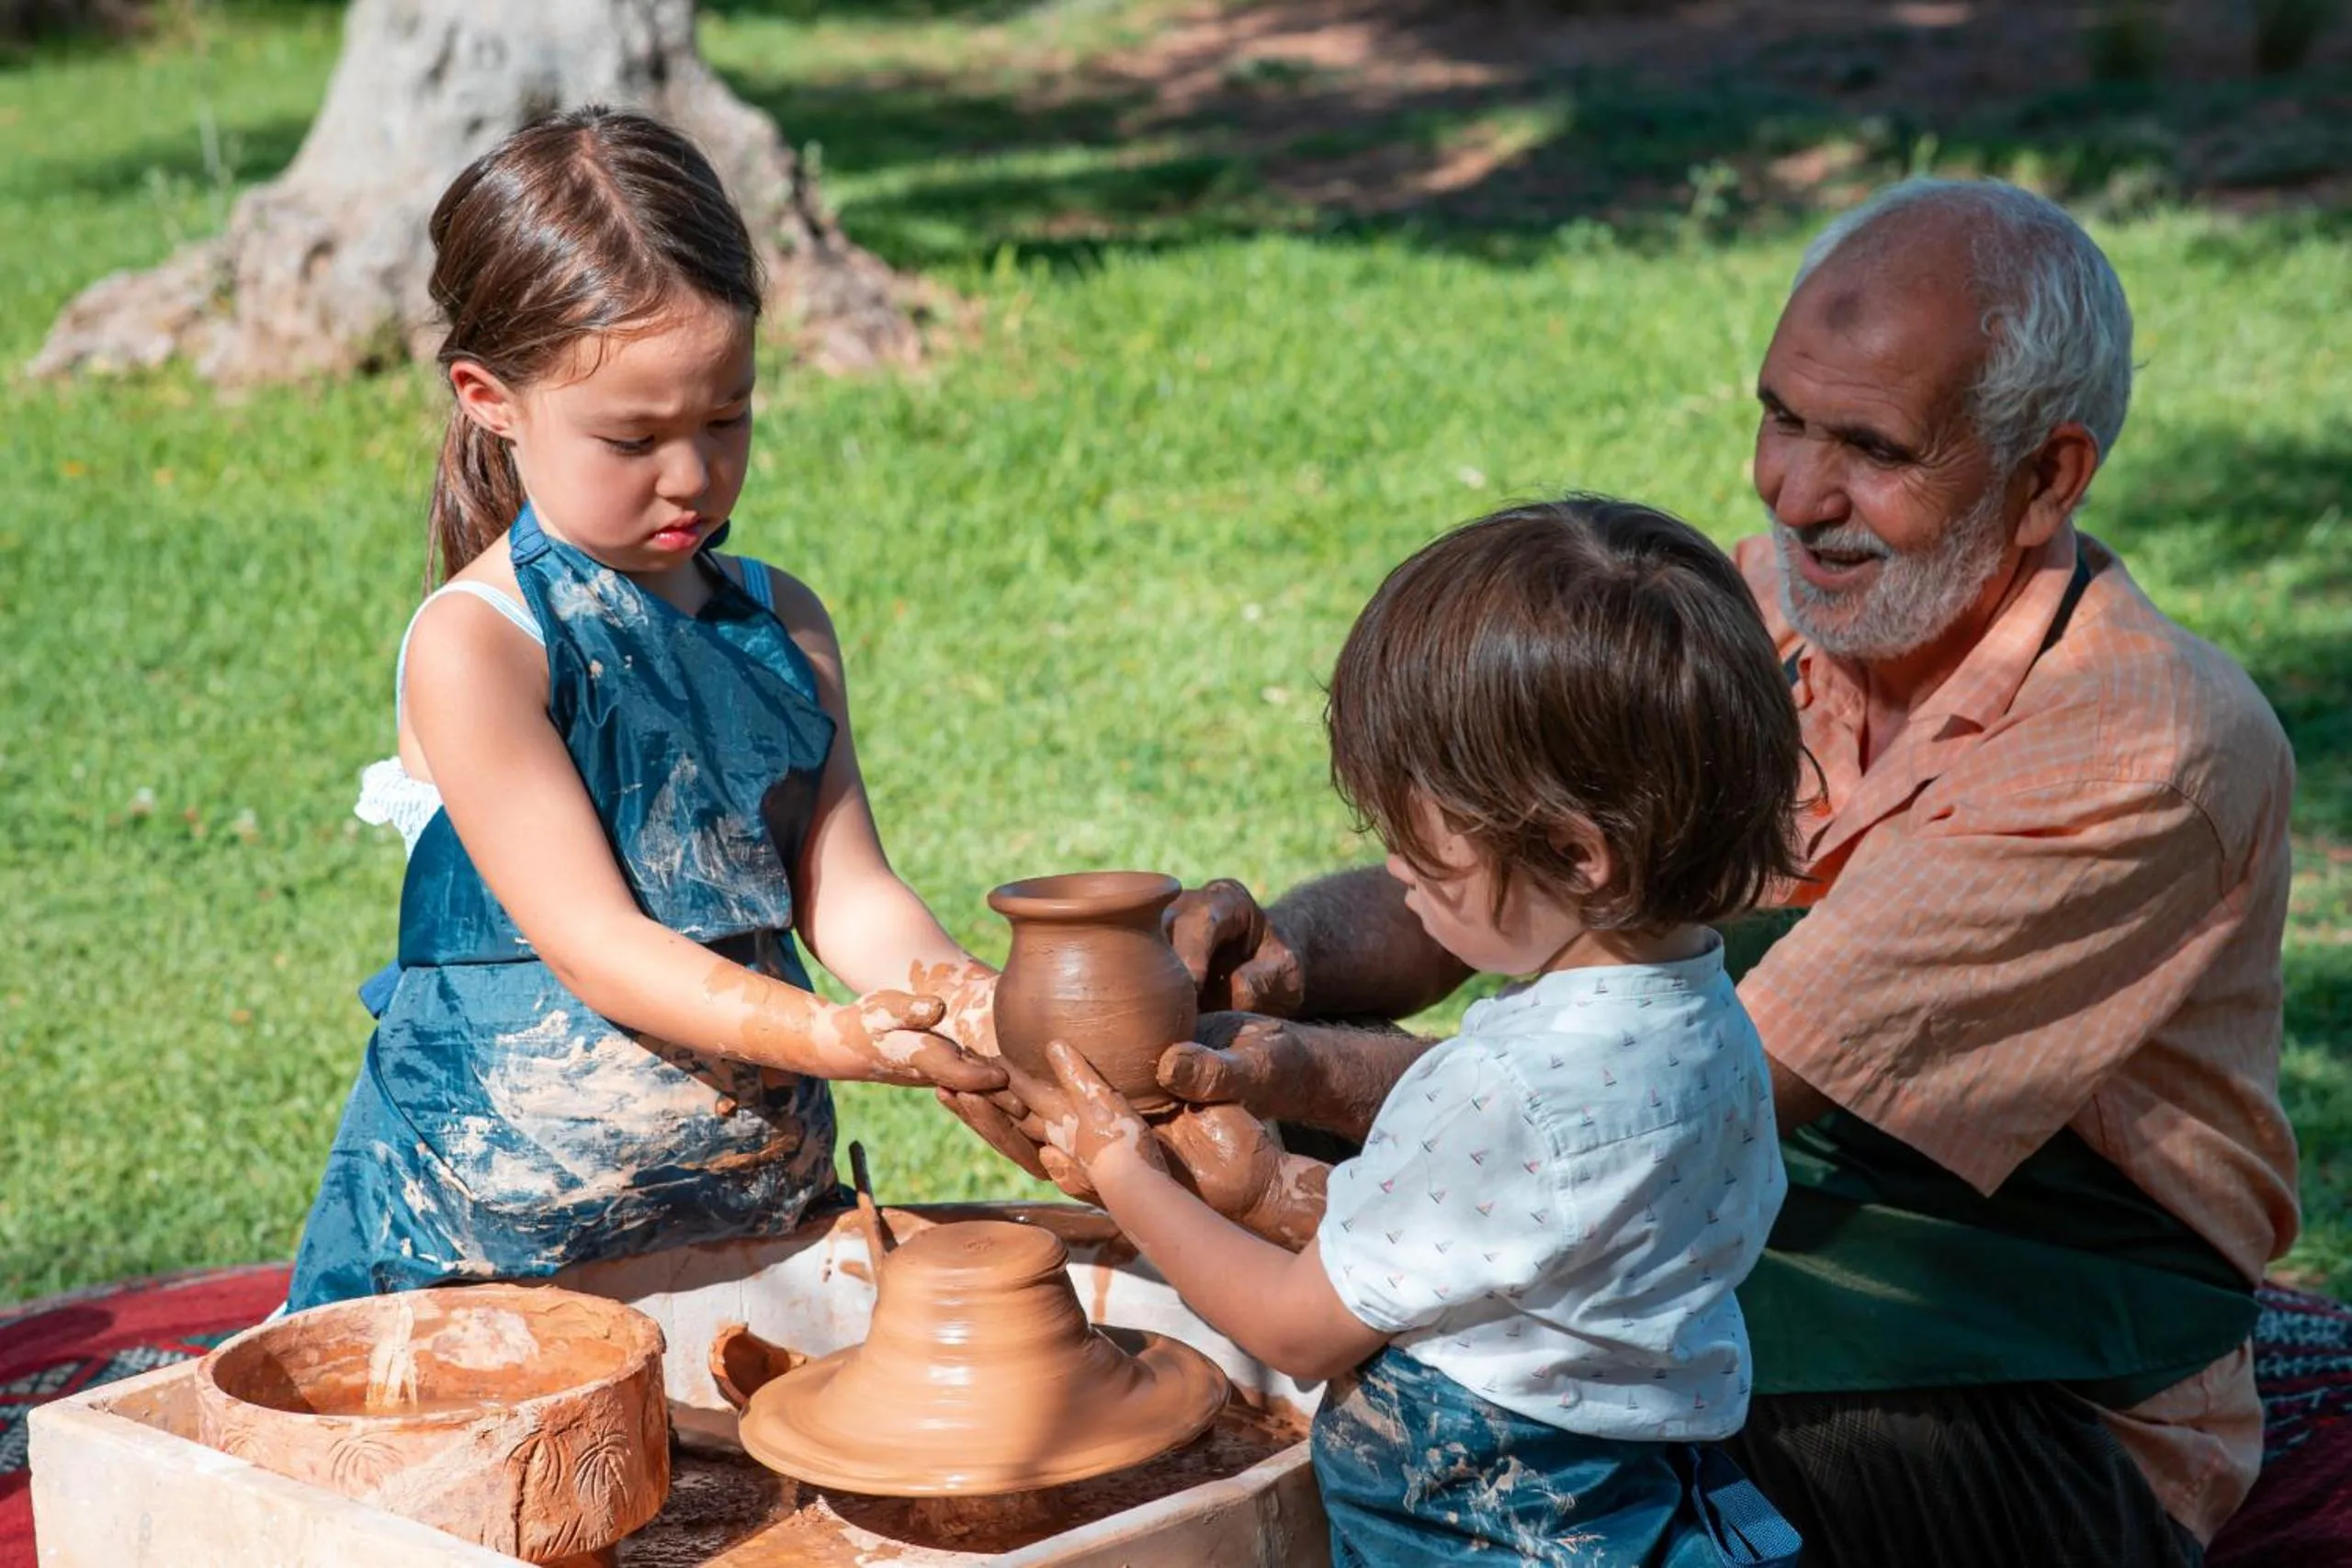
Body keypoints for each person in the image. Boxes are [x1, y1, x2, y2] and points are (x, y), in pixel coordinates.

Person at [1067, 179, 2300, 1564]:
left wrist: (1267, 1077)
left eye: (1871, 447)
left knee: (1495, 1392)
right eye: (1781, 416)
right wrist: (1276, 950)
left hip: (2025, 1383)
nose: (1792, 491)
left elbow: (1646, 1104)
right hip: (1726, 1215)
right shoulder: (1769, 605)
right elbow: (1524, 876)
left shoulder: (2135, 748)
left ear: (2047, 476)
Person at [287, 107, 1005, 1314]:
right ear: (489, 396)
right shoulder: (480, 644)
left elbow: (849, 890)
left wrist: (969, 1002)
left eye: (727, 416)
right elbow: (597, 945)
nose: (692, 473)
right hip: (491, 1234)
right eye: (634, 435)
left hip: (746, 1207)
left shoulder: (782, 621)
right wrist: (836, 1037)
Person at [1025, 498, 1805, 1567]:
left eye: (1414, 834)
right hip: (1630, 1503)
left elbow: (1294, 1329)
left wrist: (1128, 1178)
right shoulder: (1715, 1023)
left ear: (1579, 858)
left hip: (1483, 1531)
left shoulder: (1495, 1089)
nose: (1391, 865)